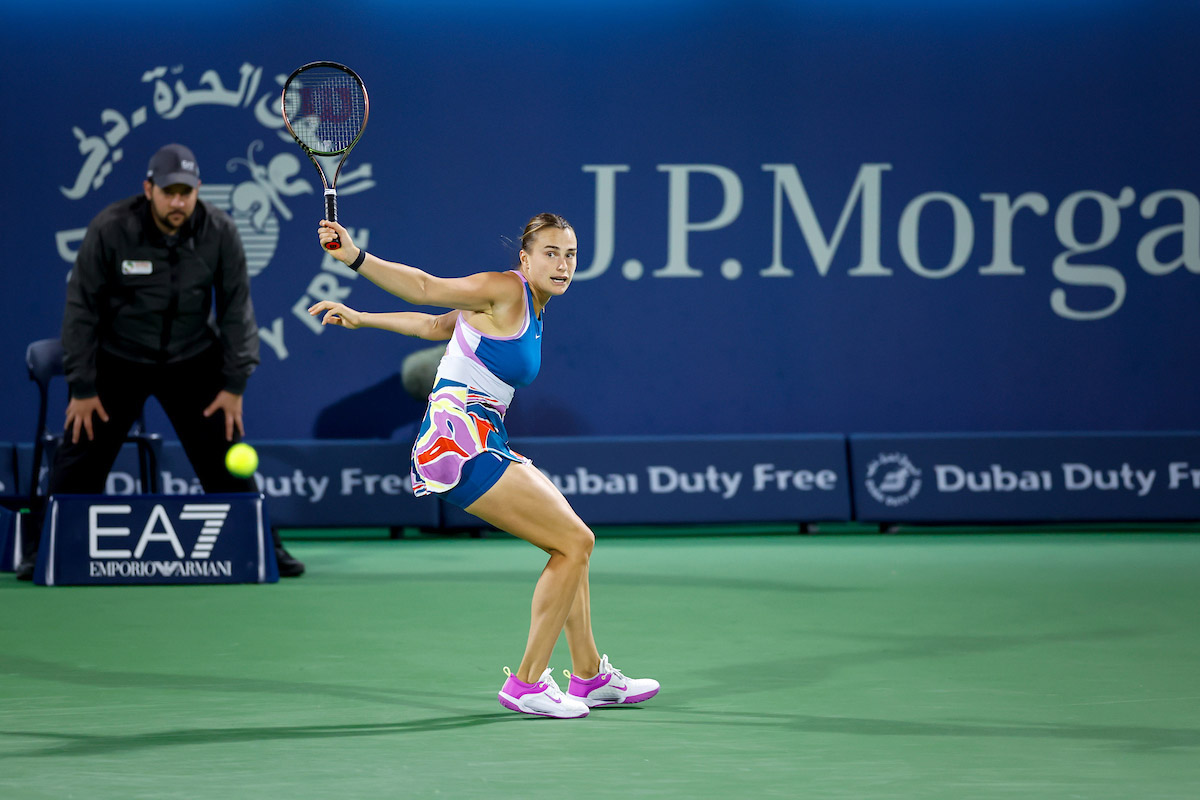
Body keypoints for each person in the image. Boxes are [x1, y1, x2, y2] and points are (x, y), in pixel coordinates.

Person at [308, 213, 659, 718]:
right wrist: (355, 258)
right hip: (458, 440)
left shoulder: (531, 308)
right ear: (524, 258)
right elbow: (427, 290)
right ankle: (527, 684)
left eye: (571, 255)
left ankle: (588, 677)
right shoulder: (504, 290)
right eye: (551, 253)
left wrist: (364, 318)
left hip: (485, 435)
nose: (562, 265)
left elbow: (435, 326)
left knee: (572, 541)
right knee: (575, 542)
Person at [16, 144, 304, 580]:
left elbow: (236, 311)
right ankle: (43, 549)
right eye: (168, 191)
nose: (178, 201)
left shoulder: (219, 230)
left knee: (225, 450)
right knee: (81, 450)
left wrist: (234, 386)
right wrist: (82, 387)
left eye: (186, 192)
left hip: (191, 356)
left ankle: (263, 543)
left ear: (198, 191)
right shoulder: (111, 228)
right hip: (120, 356)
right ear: (148, 188)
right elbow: (80, 311)